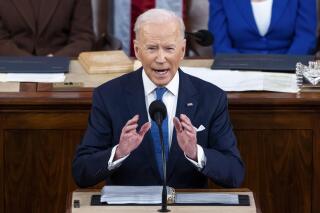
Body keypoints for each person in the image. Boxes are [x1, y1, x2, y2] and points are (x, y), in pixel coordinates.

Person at [72, 8, 244, 189]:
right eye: (152, 48)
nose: (161, 58)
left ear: (182, 50)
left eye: (169, 48)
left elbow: (234, 174)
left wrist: (195, 153)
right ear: (137, 50)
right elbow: (81, 172)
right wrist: (119, 152)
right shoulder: (108, 96)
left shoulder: (211, 97)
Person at [208, 0, 317, 55]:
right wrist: (240, 67)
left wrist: (285, 66)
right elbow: (219, 41)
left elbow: (306, 37)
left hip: (290, 69)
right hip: (237, 71)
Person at [0, 0, 94, 56]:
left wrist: (53, 61)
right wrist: (27, 62)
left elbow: (83, 38)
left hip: (62, 65)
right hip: (13, 64)